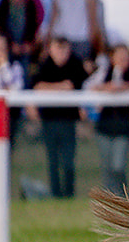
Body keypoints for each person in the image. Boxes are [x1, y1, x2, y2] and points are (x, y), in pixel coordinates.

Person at [84, 44, 129, 196]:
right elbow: (88, 86)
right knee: (107, 166)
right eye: (119, 56)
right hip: (104, 126)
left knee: (118, 165)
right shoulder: (105, 72)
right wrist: (106, 88)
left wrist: (124, 87)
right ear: (112, 58)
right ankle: (111, 196)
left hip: (123, 126)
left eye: (125, 56)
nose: (123, 60)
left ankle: (122, 195)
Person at [28, 36, 87, 199]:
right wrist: (61, 86)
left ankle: (69, 194)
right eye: (57, 48)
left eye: (64, 49)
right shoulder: (44, 65)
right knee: (52, 161)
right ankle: (55, 194)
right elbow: (37, 87)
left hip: (69, 121)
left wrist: (51, 88)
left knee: (68, 161)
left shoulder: (75, 64)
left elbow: (73, 85)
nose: (61, 53)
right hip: (49, 120)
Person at [43, 0, 104, 65]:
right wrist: (48, 38)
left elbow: (93, 18)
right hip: (62, 38)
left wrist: (94, 39)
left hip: (81, 38)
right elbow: (53, 17)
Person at [0, 0, 44, 74]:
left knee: (24, 71)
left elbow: (36, 23)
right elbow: (0, 25)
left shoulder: (31, 2)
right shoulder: (4, 3)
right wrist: (9, 44)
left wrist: (30, 44)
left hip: (26, 45)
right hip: (8, 45)